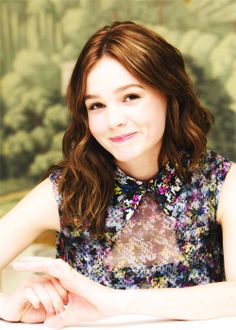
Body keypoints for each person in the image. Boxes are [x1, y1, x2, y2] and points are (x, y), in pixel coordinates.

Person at [0, 21, 236, 328]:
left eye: (130, 97)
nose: (113, 120)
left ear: (169, 94)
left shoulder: (222, 184)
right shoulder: (66, 191)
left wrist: (112, 303)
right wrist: (8, 307)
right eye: (96, 105)